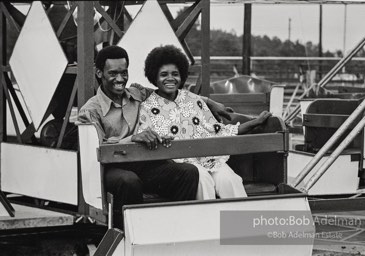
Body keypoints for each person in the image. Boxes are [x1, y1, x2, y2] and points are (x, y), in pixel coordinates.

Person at [78, 45, 232, 226]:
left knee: (189, 172)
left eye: (124, 73)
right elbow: (96, 152)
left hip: (144, 163)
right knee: (129, 182)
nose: (120, 79)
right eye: (113, 73)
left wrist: (209, 102)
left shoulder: (137, 93)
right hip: (113, 168)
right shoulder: (90, 111)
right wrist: (132, 139)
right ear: (99, 73)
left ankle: (176, 228)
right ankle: (130, 235)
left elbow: (170, 91)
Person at [138, 45, 272, 200]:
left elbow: (217, 131)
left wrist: (254, 122)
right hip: (179, 166)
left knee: (230, 180)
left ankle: (242, 222)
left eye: (175, 74)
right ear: (154, 76)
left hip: (208, 159)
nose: (170, 78)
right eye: (163, 74)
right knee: (203, 180)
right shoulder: (146, 107)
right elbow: (148, 140)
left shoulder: (193, 99)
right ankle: (208, 222)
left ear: (181, 75)